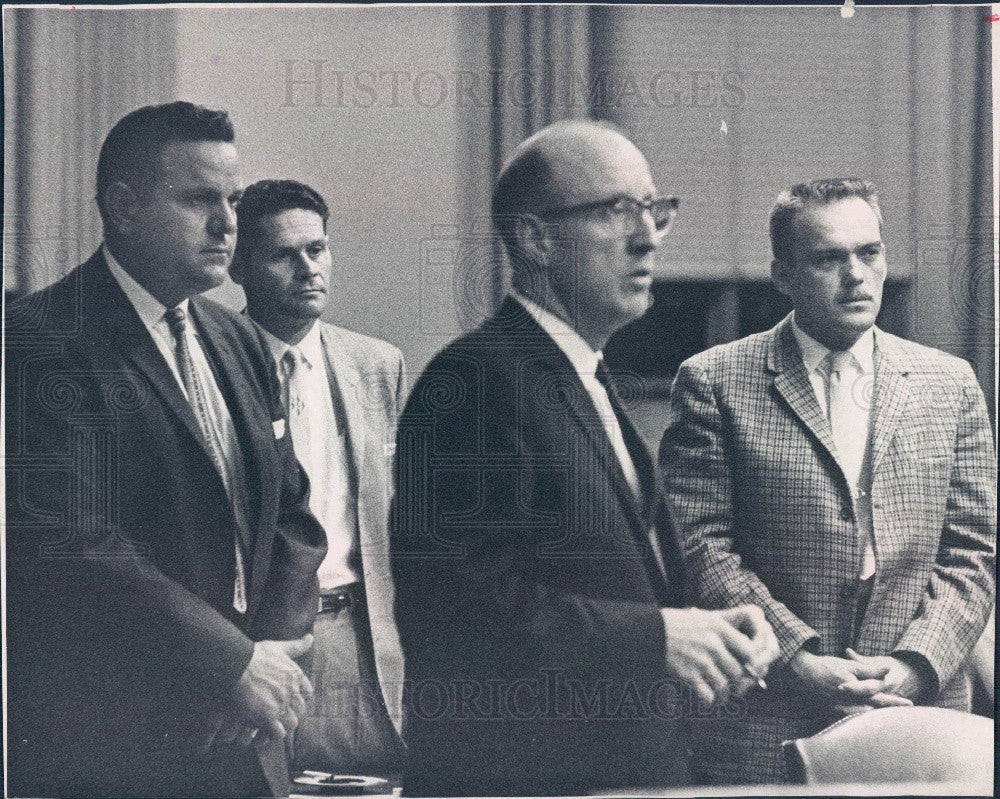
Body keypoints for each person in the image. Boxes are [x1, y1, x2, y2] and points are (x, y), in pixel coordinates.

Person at [389, 119, 780, 797]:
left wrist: (715, 629)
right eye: (614, 211)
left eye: (655, 210)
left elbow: (618, 583)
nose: (648, 236)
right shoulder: (474, 382)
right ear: (534, 237)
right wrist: (657, 638)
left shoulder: (582, 379)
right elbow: (459, 615)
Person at [5, 102, 327, 798]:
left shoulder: (237, 337)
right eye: (199, 200)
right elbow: (69, 540)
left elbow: (293, 514)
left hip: (247, 741)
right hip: (120, 747)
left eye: (234, 200)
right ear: (123, 206)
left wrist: (265, 664)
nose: (228, 224)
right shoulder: (38, 338)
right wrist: (230, 666)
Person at [659, 178, 997, 784]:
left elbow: (974, 553)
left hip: (919, 723)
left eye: (869, 253)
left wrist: (916, 666)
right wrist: (799, 658)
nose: (856, 275)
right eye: (828, 258)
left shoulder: (950, 384)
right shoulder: (714, 382)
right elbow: (701, 547)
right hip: (765, 721)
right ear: (783, 275)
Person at [230, 179, 406, 776]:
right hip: (257, 644)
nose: (309, 268)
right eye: (285, 255)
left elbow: (396, 516)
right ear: (239, 266)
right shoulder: (213, 362)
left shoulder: (377, 364)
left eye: (318, 249)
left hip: (360, 634)